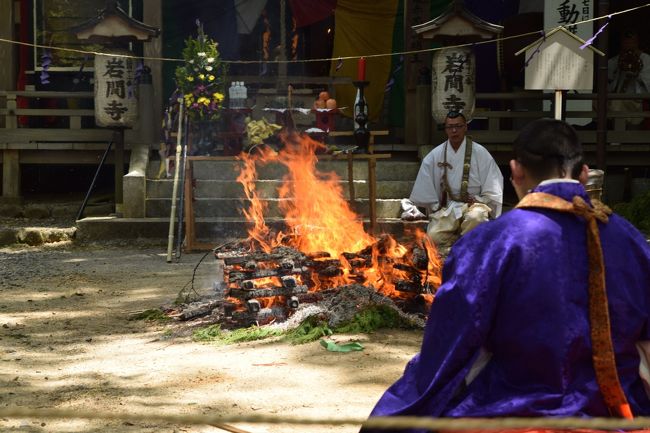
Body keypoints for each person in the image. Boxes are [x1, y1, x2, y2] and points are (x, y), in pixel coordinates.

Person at [361, 118, 650, 433]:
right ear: (583, 174)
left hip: (512, 411)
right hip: (613, 412)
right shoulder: (629, 239)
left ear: (515, 172)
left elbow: (452, 345)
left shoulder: (489, 244)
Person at [404, 110, 503, 253]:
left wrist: (480, 199)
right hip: (450, 206)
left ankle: (465, 248)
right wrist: (437, 205)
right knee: (433, 237)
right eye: (450, 127)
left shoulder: (481, 153)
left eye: (458, 126)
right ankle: (459, 243)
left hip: (475, 204)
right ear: (445, 129)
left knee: (477, 217)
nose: (454, 130)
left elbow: (493, 183)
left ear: (465, 127)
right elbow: (425, 186)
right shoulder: (436, 155)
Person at [608, 30, 650, 129]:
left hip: (637, 101)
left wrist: (637, 75)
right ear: (622, 44)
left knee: (617, 103)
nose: (629, 45)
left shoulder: (647, 60)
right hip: (617, 98)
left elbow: (648, 86)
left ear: (637, 43)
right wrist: (618, 70)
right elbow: (608, 86)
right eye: (626, 42)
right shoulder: (613, 61)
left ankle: (617, 138)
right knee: (594, 103)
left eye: (632, 42)